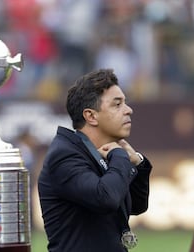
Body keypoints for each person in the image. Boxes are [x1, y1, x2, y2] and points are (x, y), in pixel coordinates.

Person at [38, 69, 153, 251]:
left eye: (125, 103)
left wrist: (137, 162)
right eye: (117, 104)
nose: (128, 110)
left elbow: (137, 205)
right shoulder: (65, 155)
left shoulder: (100, 153)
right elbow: (105, 198)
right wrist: (120, 157)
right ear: (91, 116)